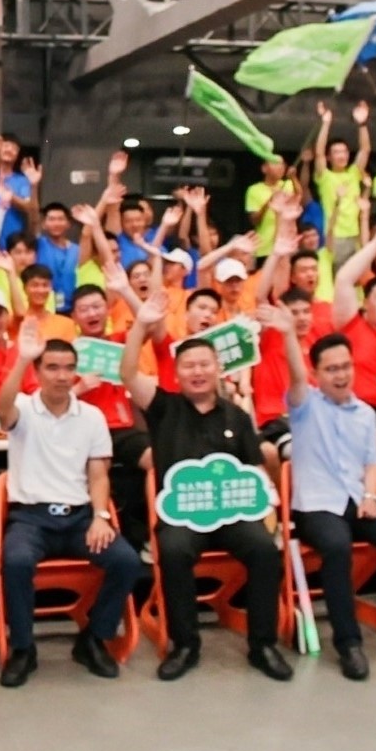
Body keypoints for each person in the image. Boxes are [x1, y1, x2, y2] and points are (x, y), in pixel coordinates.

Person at [120, 286, 290, 682]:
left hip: (232, 513)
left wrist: (268, 509)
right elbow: (127, 373)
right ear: (177, 373)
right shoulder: (163, 408)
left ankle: (263, 645)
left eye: (204, 364)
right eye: (188, 366)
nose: (197, 372)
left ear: (218, 368)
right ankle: (185, 645)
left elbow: (255, 470)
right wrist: (141, 325)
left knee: (265, 550)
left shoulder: (237, 416)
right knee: (174, 550)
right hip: (183, 515)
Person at [269, 311, 376, 679]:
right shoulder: (305, 405)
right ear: (316, 374)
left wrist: (371, 496)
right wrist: (287, 335)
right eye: (331, 369)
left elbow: (372, 462)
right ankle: (348, 643)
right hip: (317, 506)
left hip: (359, 500)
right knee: (336, 546)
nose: (341, 375)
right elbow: (295, 375)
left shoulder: (364, 413)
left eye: (346, 366)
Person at [0, 324, 143, 689]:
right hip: (31, 519)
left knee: (126, 560)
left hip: (79, 518)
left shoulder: (91, 416)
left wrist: (101, 516)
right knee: (16, 561)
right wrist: (22, 358)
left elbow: (99, 475)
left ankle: (94, 639)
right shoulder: (23, 409)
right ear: (38, 371)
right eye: (52, 367)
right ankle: (23, 648)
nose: (61, 376)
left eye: (68, 368)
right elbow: (1, 408)